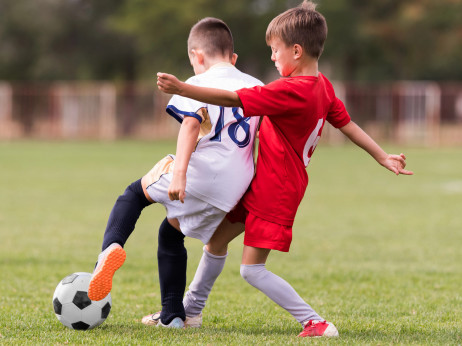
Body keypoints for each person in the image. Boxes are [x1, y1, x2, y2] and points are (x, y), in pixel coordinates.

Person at [156, 0, 413, 337]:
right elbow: (347, 124)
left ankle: (316, 323)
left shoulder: (290, 91)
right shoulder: (322, 87)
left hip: (275, 191)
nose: (272, 57)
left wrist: (182, 89)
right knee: (216, 243)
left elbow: (234, 99)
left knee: (251, 271)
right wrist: (381, 155)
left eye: (275, 50)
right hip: (265, 184)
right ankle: (191, 313)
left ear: (296, 51)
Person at [87, 17, 263, 328]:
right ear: (233, 57)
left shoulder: (195, 83)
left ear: (197, 56)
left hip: (198, 172)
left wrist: (179, 172)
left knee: (133, 194)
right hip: (234, 188)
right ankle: (172, 317)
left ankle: (109, 249)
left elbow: (192, 124)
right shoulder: (257, 86)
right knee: (170, 234)